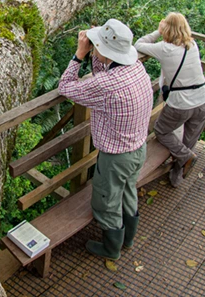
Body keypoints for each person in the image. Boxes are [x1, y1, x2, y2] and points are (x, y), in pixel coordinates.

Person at [58, 19, 152, 261]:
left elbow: (65, 88)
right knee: (127, 193)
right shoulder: (135, 68)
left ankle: (111, 250)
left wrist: (80, 54)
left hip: (116, 157)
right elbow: (104, 72)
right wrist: (98, 52)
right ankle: (128, 239)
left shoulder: (106, 85)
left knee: (106, 202)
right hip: (138, 149)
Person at [134, 13, 205, 188]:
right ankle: (177, 177)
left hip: (181, 104)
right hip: (204, 99)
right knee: (189, 140)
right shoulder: (193, 45)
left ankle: (185, 157)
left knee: (161, 130)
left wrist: (157, 31)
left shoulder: (164, 49)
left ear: (167, 29)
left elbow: (138, 45)